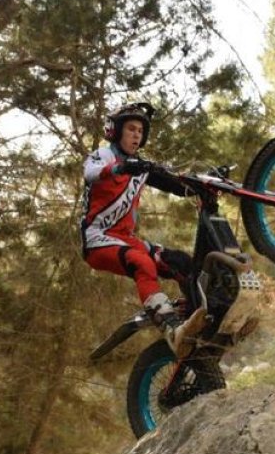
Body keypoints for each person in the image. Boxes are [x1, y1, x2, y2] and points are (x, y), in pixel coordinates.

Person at [81, 102, 206, 358]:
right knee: (142, 263)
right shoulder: (105, 156)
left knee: (181, 262)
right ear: (115, 131)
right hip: (97, 240)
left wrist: (204, 185)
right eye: (131, 129)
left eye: (140, 130)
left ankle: (199, 318)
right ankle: (171, 328)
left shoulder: (141, 167)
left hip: (126, 239)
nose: (136, 134)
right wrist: (121, 167)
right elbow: (90, 173)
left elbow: (176, 186)